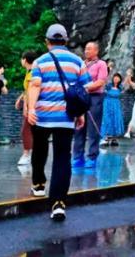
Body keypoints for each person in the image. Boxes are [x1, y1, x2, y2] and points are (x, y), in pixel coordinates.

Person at [27, 24, 90, 221]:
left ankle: (38, 184)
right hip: (65, 117)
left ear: (47, 42)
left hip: (42, 116)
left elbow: (35, 85)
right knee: (62, 157)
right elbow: (82, 90)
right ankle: (58, 203)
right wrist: (81, 114)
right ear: (66, 41)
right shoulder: (77, 61)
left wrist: (31, 109)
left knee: (39, 149)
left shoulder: (40, 61)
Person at [73, 41, 108, 171]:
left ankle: (92, 157)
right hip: (81, 97)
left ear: (96, 51)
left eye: (89, 49)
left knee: (93, 128)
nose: (86, 51)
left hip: (95, 97)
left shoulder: (101, 64)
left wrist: (86, 88)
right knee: (79, 127)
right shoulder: (81, 64)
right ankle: (78, 157)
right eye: (86, 49)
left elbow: (101, 82)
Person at [15, 50, 38, 166]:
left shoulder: (32, 73)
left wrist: (26, 107)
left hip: (32, 105)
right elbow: (26, 89)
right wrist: (20, 98)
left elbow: (30, 90)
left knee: (26, 130)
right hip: (31, 103)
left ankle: (27, 154)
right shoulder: (30, 72)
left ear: (25, 60)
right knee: (29, 130)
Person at [101, 73, 125, 147]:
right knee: (107, 120)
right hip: (108, 104)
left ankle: (114, 138)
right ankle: (106, 137)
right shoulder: (108, 86)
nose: (116, 79)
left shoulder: (120, 88)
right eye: (115, 77)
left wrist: (128, 77)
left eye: (118, 78)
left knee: (115, 120)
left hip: (116, 105)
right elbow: (103, 88)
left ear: (120, 80)